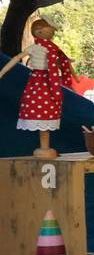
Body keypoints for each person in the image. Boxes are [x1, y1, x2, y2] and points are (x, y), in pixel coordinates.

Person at [0, 18, 76, 157]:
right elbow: (17, 59)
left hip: (49, 83)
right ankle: (44, 147)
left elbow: (62, 62)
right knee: (40, 110)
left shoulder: (54, 49)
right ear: (38, 31)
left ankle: (45, 146)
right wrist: (2, 72)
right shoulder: (35, 48)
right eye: (50, 29)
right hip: (39, 83)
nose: (52, 32)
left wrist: (73, 74)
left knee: (47, 112)